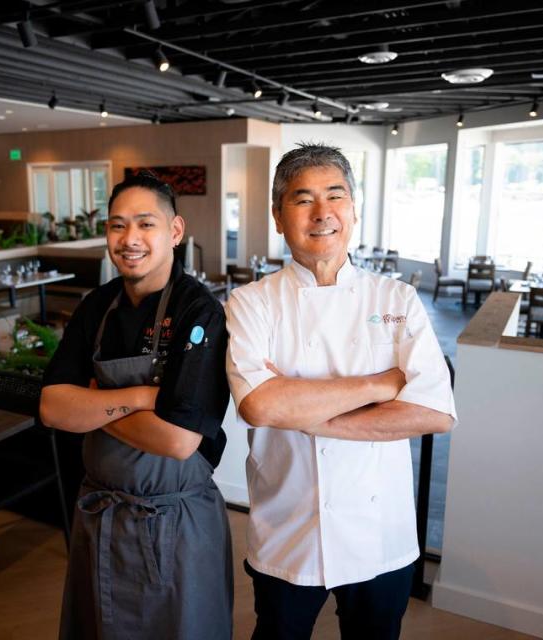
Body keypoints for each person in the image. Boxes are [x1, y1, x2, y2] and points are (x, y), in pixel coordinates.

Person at [226, 144, 457, 640]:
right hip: (287, 528)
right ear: (278, 215)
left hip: (380, 533)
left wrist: (302, 410)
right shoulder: (250, 303)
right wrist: (380, 384)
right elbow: (261, 405)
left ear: (353, 208)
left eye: (335, 195)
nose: (322, 212)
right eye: (302, 199)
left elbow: (435, 413)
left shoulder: (396, 299)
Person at [40, 173, 233, 640]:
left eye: (145, 224)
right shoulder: (97, 306)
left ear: (175, 231)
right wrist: (141, 398)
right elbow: (51, 408)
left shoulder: (199, 312)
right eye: (117, 226)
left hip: (173, 525)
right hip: (100, 517)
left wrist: (93, 402)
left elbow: (177, 439)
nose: (129, 240)